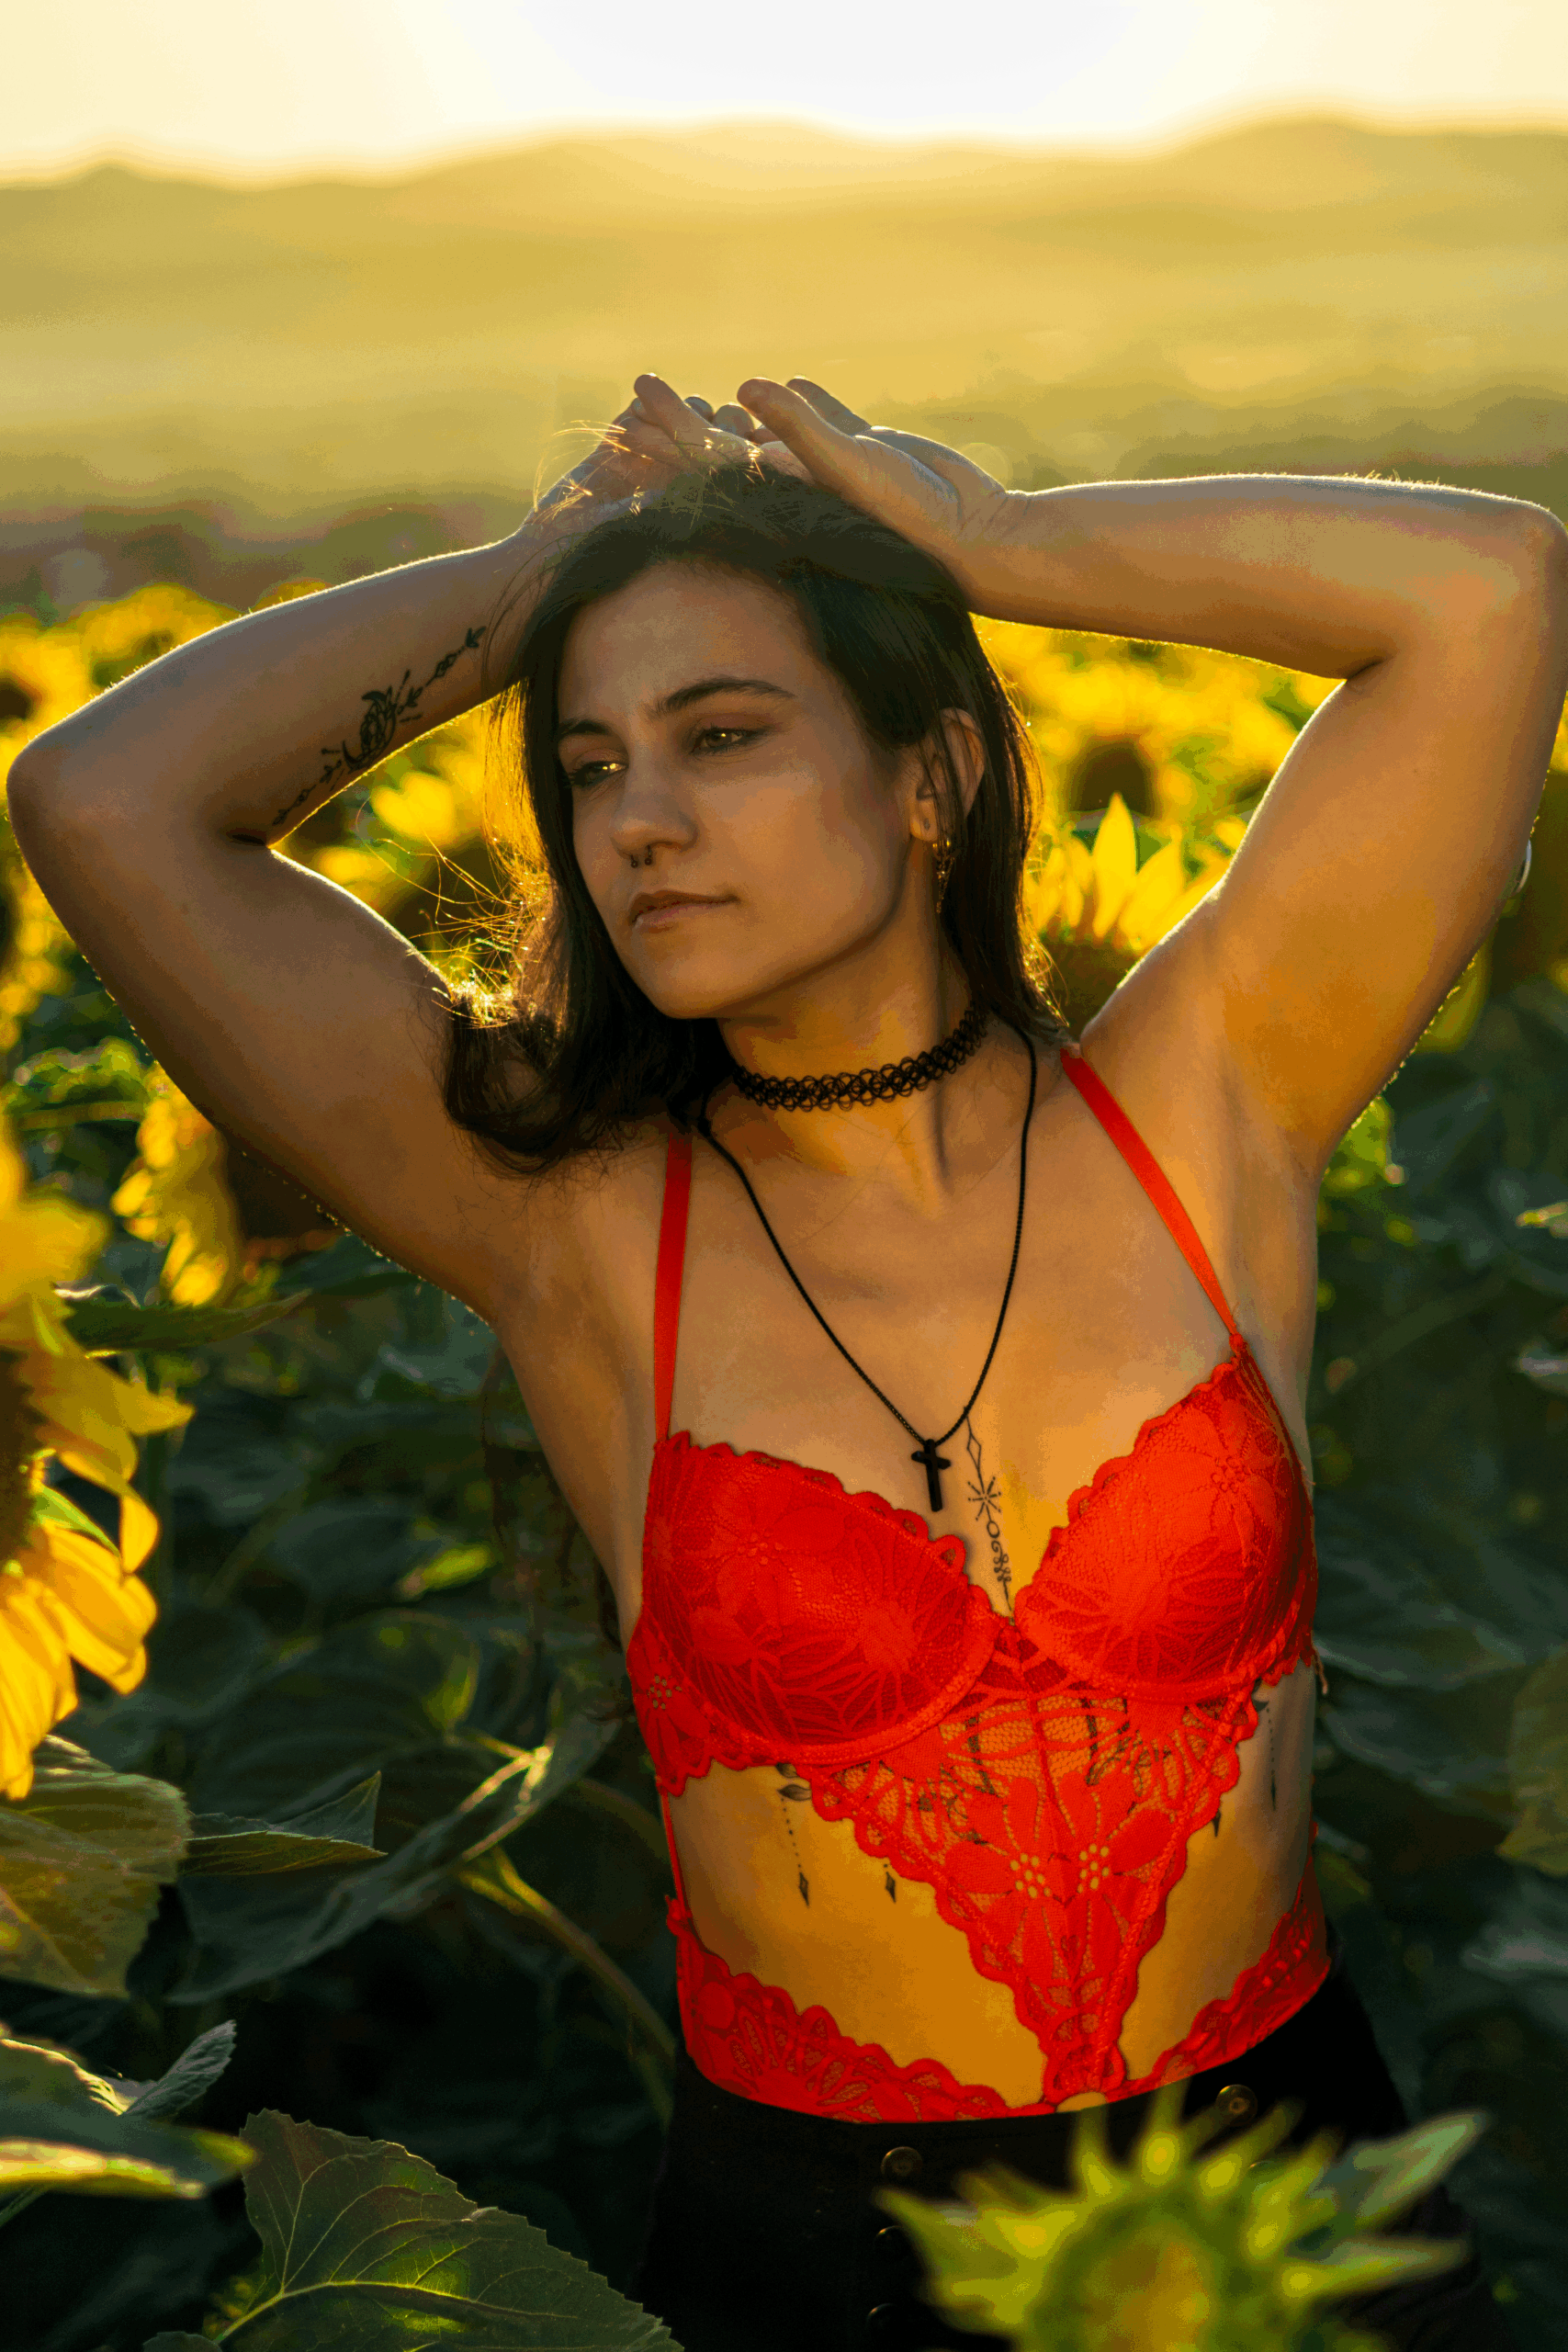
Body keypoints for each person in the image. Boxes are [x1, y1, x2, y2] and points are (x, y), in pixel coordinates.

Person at [10, 374, 1563, 2351]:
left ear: (926, 779)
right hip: (833, 2256)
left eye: (723, 735)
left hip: (1294, 2188)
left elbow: (1493, 588)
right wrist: (540, 571)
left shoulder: (1209, 1104)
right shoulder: (561, 1221)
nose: (636, 821)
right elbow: (101, 798)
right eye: (585, 766)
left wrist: (993, 545)